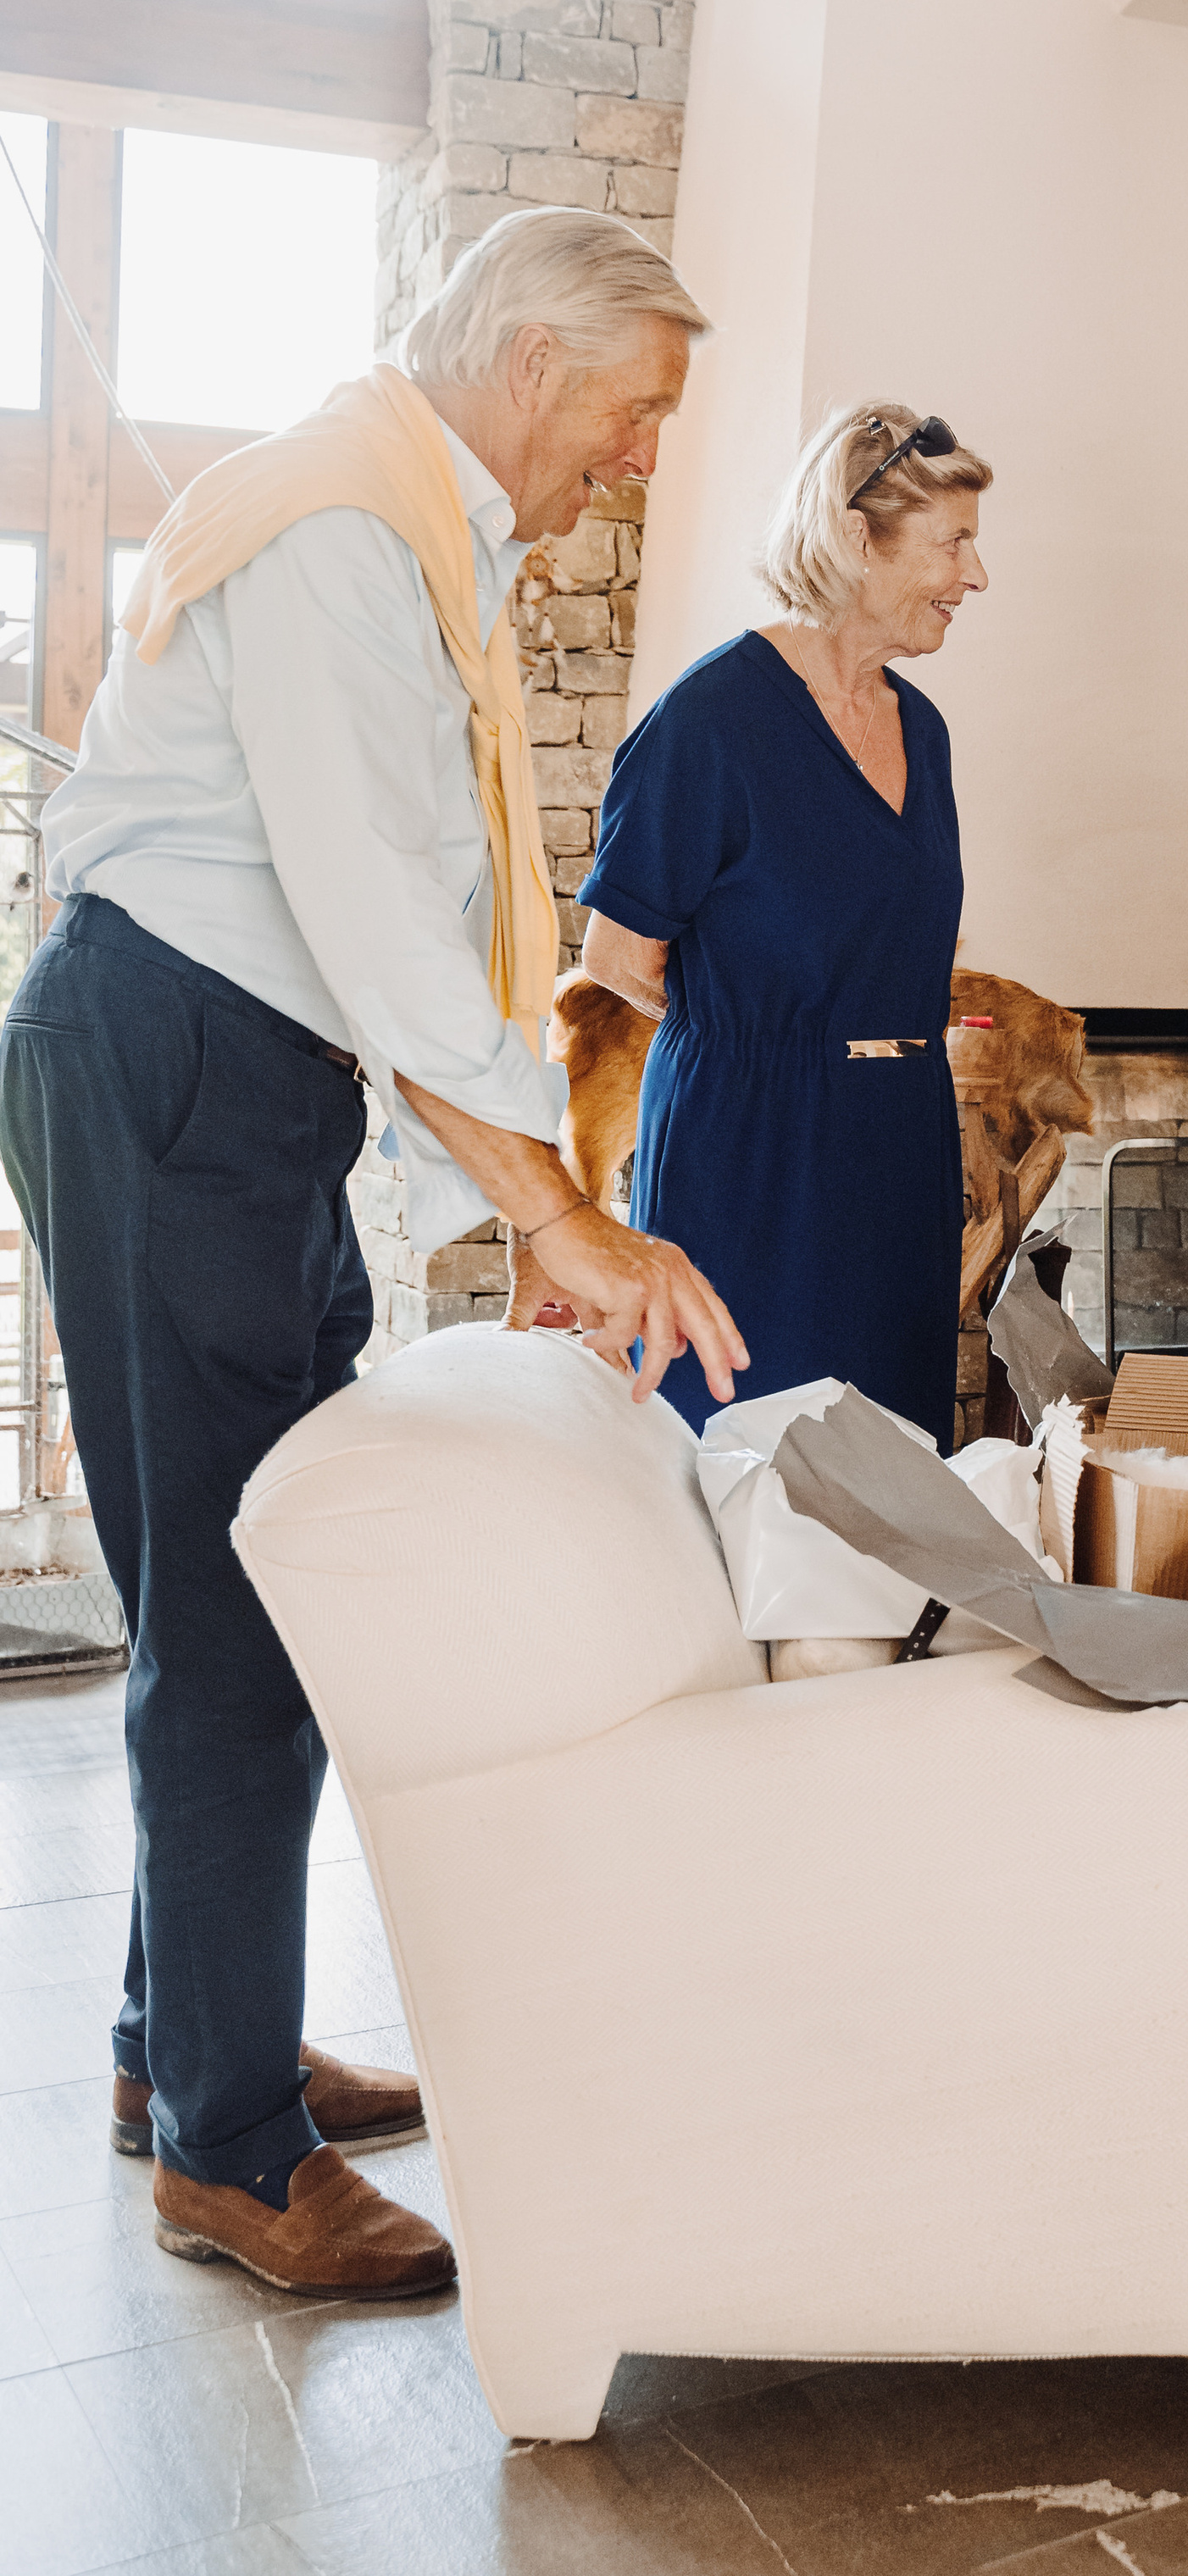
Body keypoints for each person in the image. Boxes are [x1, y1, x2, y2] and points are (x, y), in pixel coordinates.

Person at [0, 208, 747, 2305]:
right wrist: (554, 1210)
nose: (640, 457)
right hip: (175, 1056)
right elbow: (379, 915)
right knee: (235, 1613)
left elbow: (402, 920)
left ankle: (188, 2048)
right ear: (527, 359)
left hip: (238, 1073)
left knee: (266, 1580)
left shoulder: (411, 532)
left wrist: (510, 1208)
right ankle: (233, 2156)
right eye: (633, 408)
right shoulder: (348, 532)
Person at [575, 402, 991, 1441]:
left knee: (889, 1470)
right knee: (740, 1453)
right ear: (857, 537)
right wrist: (766, 1034)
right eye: (953, 543)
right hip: (748, 1147)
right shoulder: (710, 720)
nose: (975, 577)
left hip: (898, 1147)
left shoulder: (924, 732)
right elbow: (618, 955)